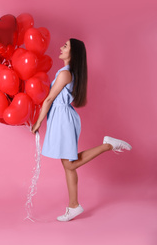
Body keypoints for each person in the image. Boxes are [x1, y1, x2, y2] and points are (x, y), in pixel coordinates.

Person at [32, 38, 132, 222]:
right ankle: (73, 206)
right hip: (62, 118)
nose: (61, 48)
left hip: (63, 120)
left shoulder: (65, 74)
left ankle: (107, 146)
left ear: (73, 53)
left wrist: (38, 122)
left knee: (69, 164)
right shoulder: (67, 72)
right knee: (69, 166)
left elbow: (48, 99)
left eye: (65, 46)